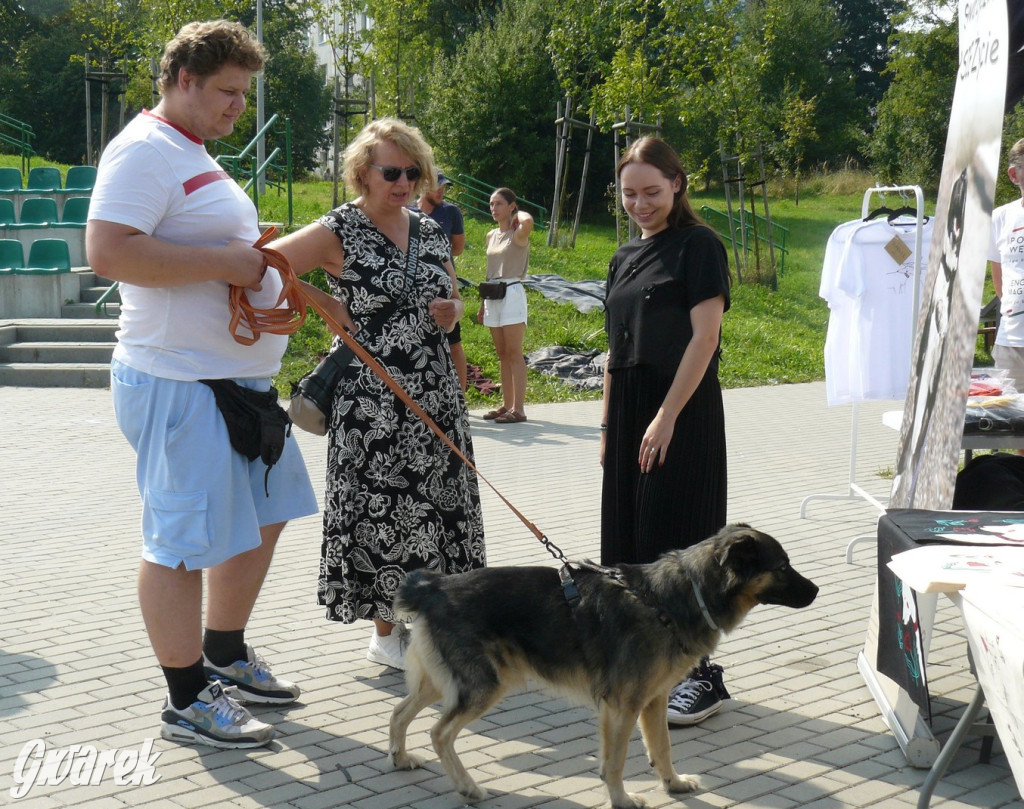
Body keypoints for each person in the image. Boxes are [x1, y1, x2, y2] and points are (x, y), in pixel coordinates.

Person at [85, 20, 319, 749]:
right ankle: (187, 698)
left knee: (271, 508)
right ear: (182, 79)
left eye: (244, 95)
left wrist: (244, 258)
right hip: (177, 380)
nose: (236, 108)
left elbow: (197, 243)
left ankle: (223, 650)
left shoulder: (192, 152)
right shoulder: (144, 149)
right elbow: (107, 251)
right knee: (181, 543)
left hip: (233, 382)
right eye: (227, 92)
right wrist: (228, 263)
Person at [271, 118, 485, 671]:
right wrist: (327, 304)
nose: (405, 182)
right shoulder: (340, 228)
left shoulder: (431, 231)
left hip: (435, 393)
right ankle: (385, 634)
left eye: (414, 172)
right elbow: (270, 267)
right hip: (376, 401)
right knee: (385, 511)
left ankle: (434, 623)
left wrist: (454, 312)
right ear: (363, 171)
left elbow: (452, 301)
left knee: (438, 509)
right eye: (393, 171)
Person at [600, 137, 731, 726]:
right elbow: (612, 352)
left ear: (678, 183)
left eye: (652, 191)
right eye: (630, 193)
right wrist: (608, 427)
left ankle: (700, 675)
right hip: (630, 409)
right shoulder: (623, 256)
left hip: (681, 406)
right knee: (631, 539)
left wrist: (667, 415)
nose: (641, 203)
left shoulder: (699, 246)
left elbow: (706, 338)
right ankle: (643, 665)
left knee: (679, 539)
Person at [478, 187, 533, 423]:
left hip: (511, 293)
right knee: (502, 354)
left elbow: (529, 220)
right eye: (491, 204)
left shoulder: (518, 234)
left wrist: (516, 217)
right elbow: (490, 271)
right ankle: (506, 404)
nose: (493, 208)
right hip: (492, 295)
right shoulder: (491, 235)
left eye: (499, 203)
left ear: (511, 206)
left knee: (514, 353)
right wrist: (482, 304)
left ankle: (518, 409)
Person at [411, 172, 468, 391]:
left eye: (445, 187)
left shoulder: (451, 212)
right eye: (438, 186)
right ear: (423, 187)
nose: (442, 191)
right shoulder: (407, 211)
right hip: (414, 291)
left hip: (444, 289)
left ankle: (460, 400)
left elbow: (458, 248)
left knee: (454, 345)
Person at [989, 138, 1024, 392]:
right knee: (1011, 428)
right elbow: (998, 282)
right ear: (1014, 175)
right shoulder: (1000, 217)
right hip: (1011, 345)